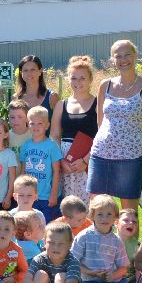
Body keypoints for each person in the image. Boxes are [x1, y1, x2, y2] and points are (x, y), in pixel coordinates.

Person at [89, 39, 142, 211]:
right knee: (97, 209)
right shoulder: (105, 85)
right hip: (101, 154)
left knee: (128, 214)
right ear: (112, 60)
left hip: (130, 158)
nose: (123, 60)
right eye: (118, 56)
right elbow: (100, 122)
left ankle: (126, 233)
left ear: (135, 56)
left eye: (127, 54)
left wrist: (131, 140)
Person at [71, 195, 132, 283]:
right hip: (91, 282)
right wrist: (91, 272)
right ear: (92, 215)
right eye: (100, 214)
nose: (105, 218)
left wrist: (113, 275)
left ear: (115, 217)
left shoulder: (116, 240)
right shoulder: (84, 237)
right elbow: (73, 262)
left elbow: (123, 267)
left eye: (109, 214)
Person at [51, 55, 98, 203]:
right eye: (73, 78)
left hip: (89, 160)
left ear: (90, 79)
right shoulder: (61, 105)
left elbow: (103, 136)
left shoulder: (98, 104)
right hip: (66, 162)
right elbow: (55, 135)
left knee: (90, 203)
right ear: (68, 79)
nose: (77, 82)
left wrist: (85, 160)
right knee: (68, 203)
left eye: (82, 78)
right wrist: (60, 160)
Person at [19, 221, 88, 283]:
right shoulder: (39, 259)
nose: (56, 247)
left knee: (61, 276)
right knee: (40, 274)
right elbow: (26, 281)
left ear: (70, 244)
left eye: (61, 244)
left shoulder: (72, 261)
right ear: (44, 242)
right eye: (51, 243)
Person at [20, 106, 63, 223]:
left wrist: (53, 194)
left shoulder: (52, 146)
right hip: (30, 196)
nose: (36, 127)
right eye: (32, 123)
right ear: (28, 124)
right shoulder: (25, 145)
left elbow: (56, 171)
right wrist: (20, 191)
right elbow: (23, 170)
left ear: (47, 125)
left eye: (39, 123)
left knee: (46, 225)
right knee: (30, 224)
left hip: (47, 196)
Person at [15, 55, 59, 132]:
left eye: (33, 70)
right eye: (25, 70)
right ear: (21, 73)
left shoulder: (52, 97)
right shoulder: (16, 98)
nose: (29, 73)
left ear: (40, 71)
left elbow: (58, 127)